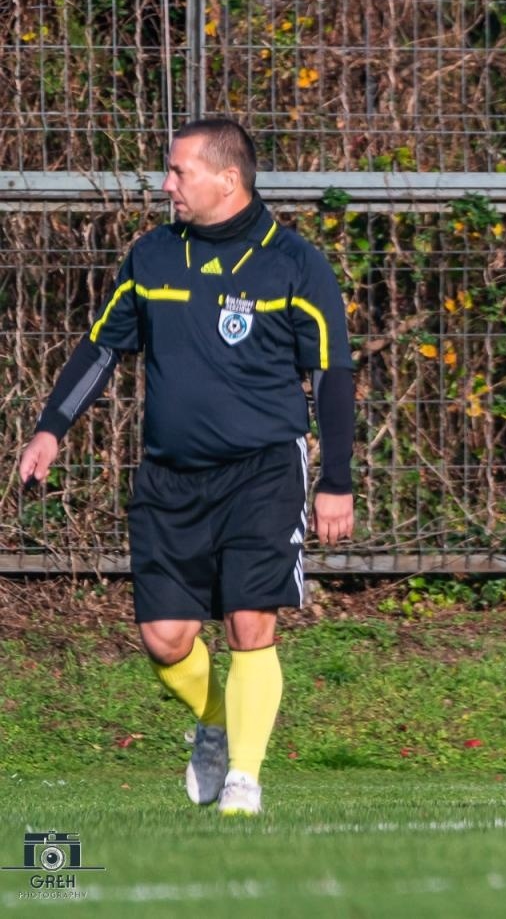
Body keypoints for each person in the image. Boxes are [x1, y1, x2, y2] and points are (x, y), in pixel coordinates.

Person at [17, 118, 355, 816]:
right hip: (170, 477)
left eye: (178, 172)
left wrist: (336, 479)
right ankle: (215, 723)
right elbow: (102, 348)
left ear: (228, 179)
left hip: (263, 469)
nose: (166, 184)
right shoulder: (153, 255)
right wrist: (51, 429)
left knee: (249, 622)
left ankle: (244, 782)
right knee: (166, 640)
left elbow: (330, 374)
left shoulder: (294, 263)